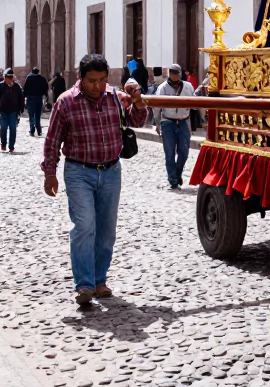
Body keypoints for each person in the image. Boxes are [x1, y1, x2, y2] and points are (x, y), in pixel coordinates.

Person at [42, 53, 148, 308]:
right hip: (79, 172)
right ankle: (85, 284)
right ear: (81, 78)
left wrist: (137, 99)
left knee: (106, 230)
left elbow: (137, 120)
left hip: (111, 171)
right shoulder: (66, 102)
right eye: (92, 80)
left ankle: (100, 280)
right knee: (84, 225)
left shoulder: (114, 97)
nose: (98, 86)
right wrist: (50, 173)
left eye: (102, 80)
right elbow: (53, 140)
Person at [151, 64, 195, 190]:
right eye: (173, 72)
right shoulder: (162, 88)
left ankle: (178, 173)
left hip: (184, 121)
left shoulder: (188, 86)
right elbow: (156, 107)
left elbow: (194, 102)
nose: (175, 75)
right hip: (168, 122)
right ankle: (173, 180)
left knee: (184, 151)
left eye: (177, 73)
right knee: (169, 152)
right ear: (170, 74)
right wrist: (158, 123)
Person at [0, 68, 25, 153]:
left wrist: (21, 109)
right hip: (2, 111)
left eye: (11, 77)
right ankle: (3, 144)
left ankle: (11, 146)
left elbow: (21, 98)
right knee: (3, 128)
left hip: (13, 111)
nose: (9, 79)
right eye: (8, 77)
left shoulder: (17, 87)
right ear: (5, 77)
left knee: (13, 128)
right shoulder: (0, 86)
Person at [23, 67, 49, 136]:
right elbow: (46, 88)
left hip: (31, 98)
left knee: (31, 115)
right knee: (38, 115)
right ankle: (39, 130)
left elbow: (25, 88)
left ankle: (32, 130)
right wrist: (46, 96)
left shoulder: (29, 78)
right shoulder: (42, 79)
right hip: (39, 98)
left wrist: (24, 96)